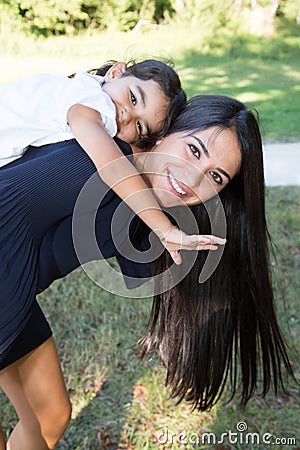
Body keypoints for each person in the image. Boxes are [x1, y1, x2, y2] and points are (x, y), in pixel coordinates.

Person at [0, 95, 294, 449]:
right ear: (164, 133)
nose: (192, 178)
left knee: (51, 415)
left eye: (215, 177)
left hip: (13, 297)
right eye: (194, 150)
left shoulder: (147, 211)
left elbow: (150, 272)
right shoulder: (89, 166)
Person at [0, 58, 218, 267]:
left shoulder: (83, 90)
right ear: (115, 73)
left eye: (140, 127)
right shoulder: (91, 100)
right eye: (133, 98)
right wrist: (165, 229)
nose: (125, 116)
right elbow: (113, 167)